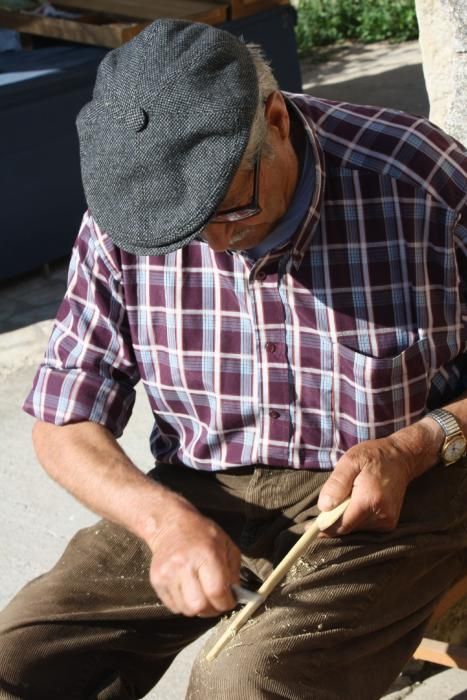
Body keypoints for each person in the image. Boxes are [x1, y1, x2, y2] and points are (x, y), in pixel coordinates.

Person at [0, 18, 466, 700]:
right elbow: (62, 421)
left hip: (397, 490)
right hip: (205, 483)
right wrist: (165, 523)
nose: (215, 245)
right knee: (21, 659)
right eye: (180, 233)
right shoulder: (129, 213)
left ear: (275, 120)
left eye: (229, 210)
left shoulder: (415, 177)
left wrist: (420, 443)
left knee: (243, 682)